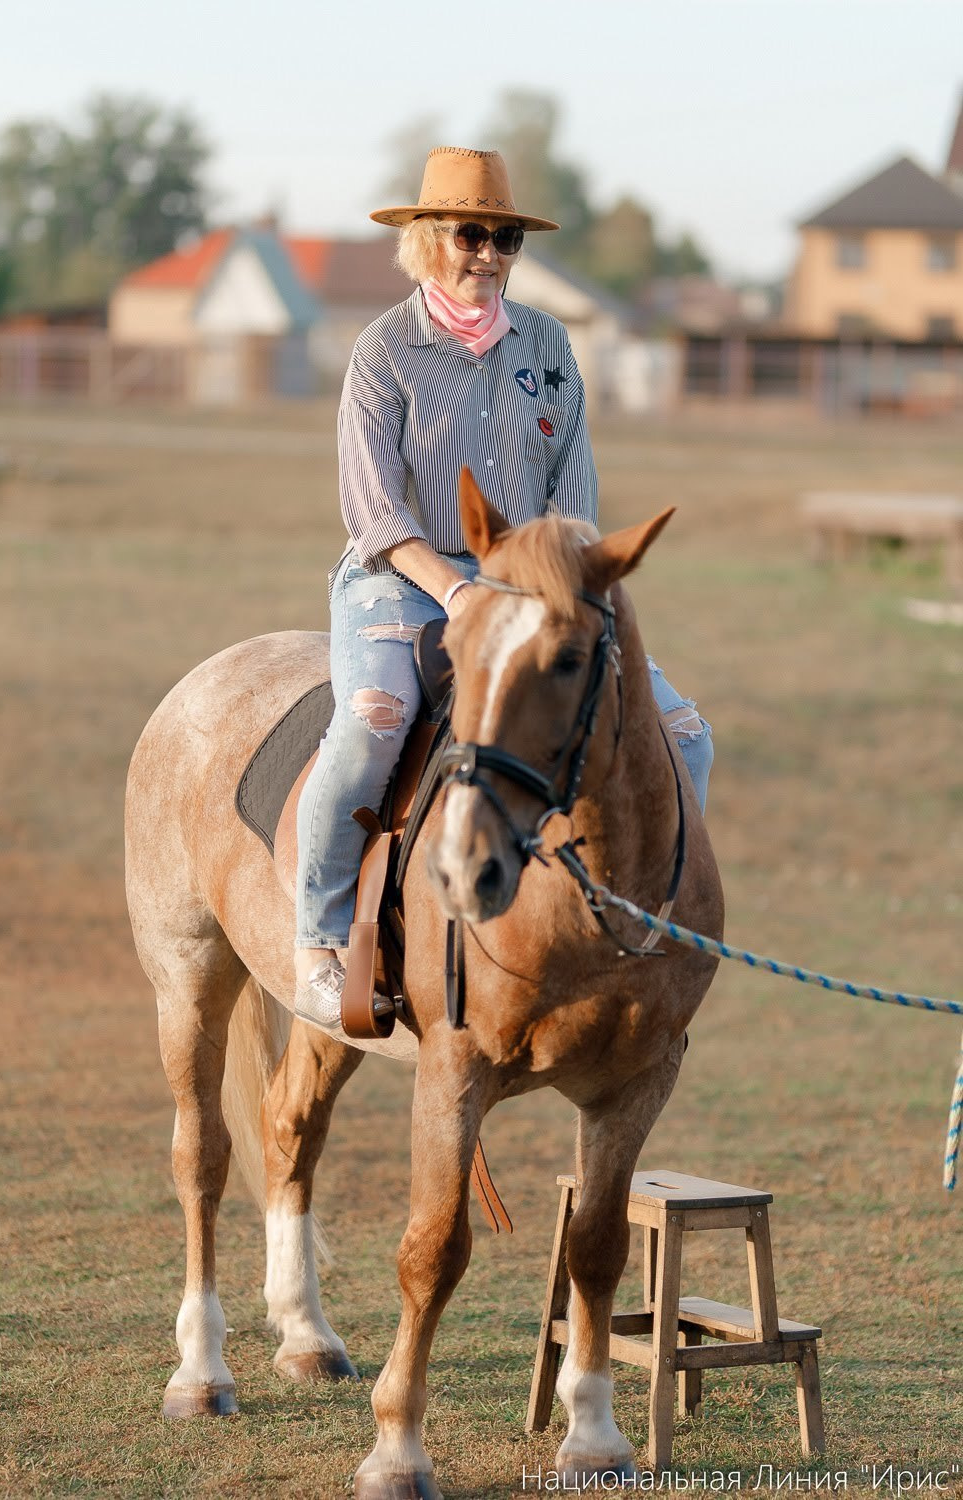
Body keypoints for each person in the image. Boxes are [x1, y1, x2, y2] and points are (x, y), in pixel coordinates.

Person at [293, 146, 713, 1032]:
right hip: (404, 581)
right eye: (471, 234)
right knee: (372, 719)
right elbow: (375, 511)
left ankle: (647, 922)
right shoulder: (382, 353)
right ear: (425, 241)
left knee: (685, 732)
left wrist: (546, 582)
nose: (489, 254)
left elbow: (575, 493)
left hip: (528, 584)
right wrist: (460, 595)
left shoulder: (550, 342)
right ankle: (319, 941)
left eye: (505, 238)